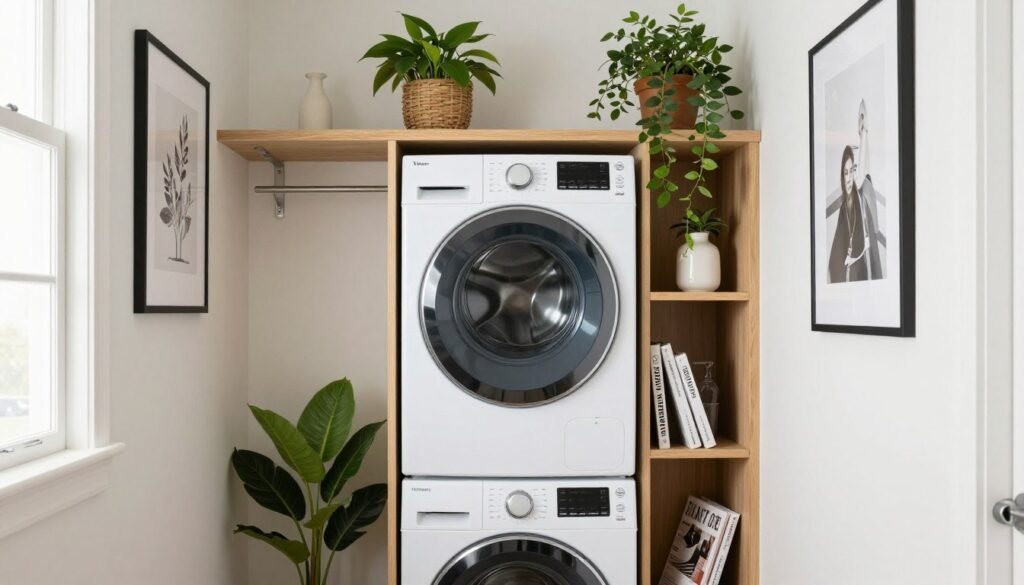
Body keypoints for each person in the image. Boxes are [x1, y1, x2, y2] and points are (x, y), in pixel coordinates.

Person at [828, 145, 882, 283]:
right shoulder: (843, 208)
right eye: (846, 173)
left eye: (852, 171)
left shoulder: (863, 197)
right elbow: (836, 254)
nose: (849, 178)